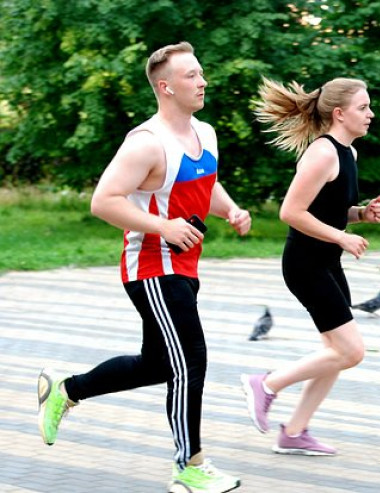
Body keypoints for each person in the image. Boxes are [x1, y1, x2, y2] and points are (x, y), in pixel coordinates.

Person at [36, 41, 250, 492]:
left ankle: (66, 390)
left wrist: (230, 210)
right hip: (152, 268)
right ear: (165, 87)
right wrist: (163, 226)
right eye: (191, 75)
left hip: (184, 268)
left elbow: (206, 183)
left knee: (158, 364)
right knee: (190, 361)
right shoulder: (146, 143)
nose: (203, 81)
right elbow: (103, 201)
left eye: (201, 73)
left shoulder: (205, 133)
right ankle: (188, 466)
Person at [240, 77, 380, 456]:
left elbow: (329, 210)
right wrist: (341, 237)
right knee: (351, 352)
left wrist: (360, 215)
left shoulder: (348, 154)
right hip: (306, 265)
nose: (370, 114)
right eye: (363, 107)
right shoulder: (322, 153)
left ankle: (294, 432)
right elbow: (291, 212)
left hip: (327, 263)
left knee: (333, 354)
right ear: (339, 114)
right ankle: (266, 384)